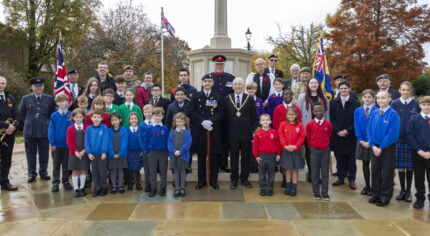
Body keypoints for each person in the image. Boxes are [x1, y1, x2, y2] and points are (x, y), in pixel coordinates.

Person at [19, 77, 56, 182]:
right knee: (30, 154)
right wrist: (29, 121)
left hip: (44, 130)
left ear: (43, 87)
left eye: (40, 86)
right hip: (30, 131)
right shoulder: (25, 98)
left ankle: (43, 172)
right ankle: (31, 173)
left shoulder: (49, 98)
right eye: (36, 86)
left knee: (44, 153)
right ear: (32, 87)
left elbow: (52, 114)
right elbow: (20, 114)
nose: (38, 88)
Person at [190, 74, 224, 190]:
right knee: (201, 156)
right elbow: (192, 112)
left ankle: (213, 181)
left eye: (209, 81)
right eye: (205, 81)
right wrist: (202, 121)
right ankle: (201, 181)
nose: (207, 83)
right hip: (200, 130)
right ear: (202, 83)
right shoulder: (196, 96)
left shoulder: (218, 96)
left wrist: (211, 121)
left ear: (212, 83)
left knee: (213, 157)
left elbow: (220, 112)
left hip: (213, 130)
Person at [203, 55, 235, 173]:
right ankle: (214, 164)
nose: (219, 66)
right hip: (214, 113)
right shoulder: (209, 78)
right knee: (214, 140)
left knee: (226, 140)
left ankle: (224, 163)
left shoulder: (231, 78)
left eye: (221, 64)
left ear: (224, 65)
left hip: (227, 114)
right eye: (217, 64)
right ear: (214, 65)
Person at [368, 91, 400, 207]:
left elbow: (393, 133)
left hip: (387, 147)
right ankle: (376, 193)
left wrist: (381, 147)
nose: (381, 100)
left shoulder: (393, 114)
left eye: (383, 98)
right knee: (375, 170)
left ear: (389, 99)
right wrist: (372, 145)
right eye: (379, 98)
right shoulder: (374, 112)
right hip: (374, 146)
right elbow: (369, 129)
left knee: (387, 172)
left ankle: (385, 196)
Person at [224, 77, 256, 189]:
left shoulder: (249, 98)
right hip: (232, 133)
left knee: (246, 157)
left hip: (246, 133)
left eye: (240, 84)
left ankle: (244, 178)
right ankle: (234, 179)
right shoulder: (227, 98)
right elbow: (226, 117)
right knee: (233, 157)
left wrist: (249, 129)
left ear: (243, 86)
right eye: (235, 84)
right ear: (232, 86)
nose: (237, 86)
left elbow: (253, 116)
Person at [297, 78, 330, 183]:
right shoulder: (303, 97)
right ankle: (312, 173)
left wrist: (327, 127)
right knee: (309, 151)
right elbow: (298, 113)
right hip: (307, 128)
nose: (314, 84)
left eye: (316, 82)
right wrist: (300, 128)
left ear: (318, 84)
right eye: (311, 83)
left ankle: (319, 174)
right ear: (308, 85)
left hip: (320, 129)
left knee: (320, 152)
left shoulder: (323, 97)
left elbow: (327, 114)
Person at [391, 81, 420, 203]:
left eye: (408, 90)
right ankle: (402, 190)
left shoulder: (417, 104)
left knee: (410, 168)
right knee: (401, 168)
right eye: (403, 90)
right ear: (399, 90)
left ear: (411, 91)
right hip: (398, 140)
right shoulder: (394, 104)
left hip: (412, 140)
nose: (405, 92)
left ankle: (409, 192)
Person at [330, 81, 361, 190]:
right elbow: (332, 118)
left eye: (345, 88)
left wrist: (347, 131)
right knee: (339, 158)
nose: (343, 90)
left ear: (349, 89)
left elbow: (357, 120)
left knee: (351, 159)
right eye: (341, 88)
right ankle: (340, 177)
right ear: (338, 90)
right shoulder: (333, 103)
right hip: (337, 135)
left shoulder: (356, 103)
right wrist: (338, 131)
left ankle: (351, 179)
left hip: (350, 135)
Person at [406, 96, 430, 209]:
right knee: (419, 177)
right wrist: (418, 150)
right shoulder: (414, 119)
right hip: (417, 154)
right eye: (424, 105)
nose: (426, 107)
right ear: (420, 105)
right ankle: (420, 198)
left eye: (428, 105)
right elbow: (409, 135)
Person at [306, 103, 333, 201]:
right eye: (316, 111)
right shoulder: (310, 124)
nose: (318, 112)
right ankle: (316, 192)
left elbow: (329, 134)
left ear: (324, 111)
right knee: (315, 172)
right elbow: (308, 136)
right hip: (314, 150)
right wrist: (312, 146)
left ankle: (325, 192)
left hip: (325, 150)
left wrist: (325, 145)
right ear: (313, 112)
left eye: (320, 110)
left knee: (325, 172)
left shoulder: (328, 124)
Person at [354, 89, 377, 196]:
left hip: (373, 141)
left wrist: (371, 141)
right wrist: (360, 139)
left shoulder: (377, 110)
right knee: (365, 163)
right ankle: (367, 185)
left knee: (375, 165)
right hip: (362, 141)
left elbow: (377, 127)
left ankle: (374, 186)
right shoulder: (357, 111)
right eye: (365, 97)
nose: (367, 99)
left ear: (373, 98)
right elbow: (357, 126)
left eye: (369, 97)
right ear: (362, 98)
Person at [48, 93, 74, 192]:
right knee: (56, 164)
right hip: (57, 145)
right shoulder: (54, 116)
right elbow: (51, 129)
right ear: (57, 103)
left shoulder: (71, 114)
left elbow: (72, 129)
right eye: (60, 102)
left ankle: (66, 181)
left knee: (66, 164)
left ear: (67, 102)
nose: (62, 103)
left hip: (67, 145)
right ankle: (55, 182)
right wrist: (52, 143)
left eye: (64, 101)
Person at [278, 107, 305, 196]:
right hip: (286, 150)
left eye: (293, 114)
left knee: (294, 170)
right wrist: (285, 146)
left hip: (296, 151)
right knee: (287, 169)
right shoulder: (283, 124)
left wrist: (296, 146)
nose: (291, 116)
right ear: (286, 115)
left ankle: (294, 187)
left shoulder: (300, 125)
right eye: (289, 114)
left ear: (296, 115)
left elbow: (302, 137)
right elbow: (281, 136)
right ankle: (288, 186)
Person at [143, 107, 169, 197]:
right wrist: (148, 152)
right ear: (153, 116)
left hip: (163, 153)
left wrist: (167, 152)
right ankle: (153, 188)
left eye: (159, 116)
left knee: (163, 171)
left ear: (162, 116)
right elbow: (146, 140)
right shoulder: (149, 128)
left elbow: (168, 141)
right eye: (155, 116)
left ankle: (163, 188)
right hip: (152, 153)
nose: (157, 117)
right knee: (152, 171)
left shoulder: (165, 129)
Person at [253, 114, 280, 196]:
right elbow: (255, 146)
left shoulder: (274, 132)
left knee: (271, 173)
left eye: (267, 120)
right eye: (263, 120)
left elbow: (277, 144)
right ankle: (262, 188)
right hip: (262, 156)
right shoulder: (258, 133)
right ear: (260, 122)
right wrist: (256, 156)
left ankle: (270, 188)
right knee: (262, 174)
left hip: (272, 156)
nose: (265, 121)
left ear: (270, 122)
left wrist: (278, 154)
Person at [0, 76, 20, 191]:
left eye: (3, 83)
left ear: (5, 84)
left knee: (7, 158)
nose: (1, 85)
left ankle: (4, 181)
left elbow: (17, 115)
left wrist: (13, 127)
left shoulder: (10, 98)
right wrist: (6, 125)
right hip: (2, 130)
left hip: (9, 134)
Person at [85, 110, 109, 197]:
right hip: (92, 155)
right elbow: (87, 141)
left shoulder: (104, 128)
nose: (96, 119)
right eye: (94, 117)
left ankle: (103, 187)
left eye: (98, 117)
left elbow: (105, 140)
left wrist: (104, 152)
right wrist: (89, 152)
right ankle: (97, 188)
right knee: (94, 172)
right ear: (91, 118)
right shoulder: (88, 129)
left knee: (102, 172)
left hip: (101, 154)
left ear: (102, 118)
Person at [168, 113, 192, 197]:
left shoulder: (187, 132)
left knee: (182, 172)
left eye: (180, 121)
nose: (179, 123)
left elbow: (188, 143)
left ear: (184, 121)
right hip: (174, 155)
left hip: (183, 155)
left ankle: (182, 188)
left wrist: (181, 151)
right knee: (175, 172)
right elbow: (169, 143)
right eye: (177, 121)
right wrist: (174, 151)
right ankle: (177, 188)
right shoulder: (172, 132)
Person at [66, 108, 89, 197]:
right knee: (75, 171)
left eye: (80, 117)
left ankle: (82, 187)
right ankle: (76, 188)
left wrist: (84, 150)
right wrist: (75, 151)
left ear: (83, 117)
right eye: (76, 117)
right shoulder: (70, 128)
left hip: (84, 152)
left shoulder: (87, 128)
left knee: (83, 170)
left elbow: (88, 141)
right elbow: (69, 141)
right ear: (73, 118)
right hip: (73, 153)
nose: (79, 119)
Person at [107, 112, 128, 194]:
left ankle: (120, 186)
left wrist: (120, 153)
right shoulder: (109, 131)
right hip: (112, 155)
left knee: (120, 170)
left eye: (116, 120)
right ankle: (114, 186)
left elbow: (124, 142)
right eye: (112, 120)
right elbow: (108, 143)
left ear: (120, 120)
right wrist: (112, 153)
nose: (114, 122)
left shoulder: (124, 130)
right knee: (113, 171)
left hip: (121, 155)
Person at [138, 104, 154, 192]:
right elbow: (140, 137)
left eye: (149, 112)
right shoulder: (142, 125)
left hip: (154, 150)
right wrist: (143, 149)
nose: (147, 114)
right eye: (145, 112)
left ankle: (153, 183)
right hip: (145, 150)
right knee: (147, 168)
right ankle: (148, 184)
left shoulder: (155, 123)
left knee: (153, 168)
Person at [127, 112, 143, 191]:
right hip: (129, 152)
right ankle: (130, 184)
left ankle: (138, 184)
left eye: (135, 118)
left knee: (137, 170)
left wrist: (142, 150)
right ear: (129, 120)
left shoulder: (140, 129)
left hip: (138, 152)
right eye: (132, 119)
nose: (133, 120)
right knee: (130, 170)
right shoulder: (126, 130)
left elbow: (142, 141)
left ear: (138, 120)